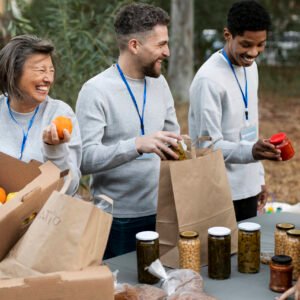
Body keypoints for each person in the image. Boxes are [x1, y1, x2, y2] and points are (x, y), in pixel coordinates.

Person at [76, 3, 181, 259]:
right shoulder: (95, 91)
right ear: (134, 45)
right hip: (118, 221)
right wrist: (135, 145)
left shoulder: (161, 83)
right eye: (160, 44)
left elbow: (173, 139)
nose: (167, 52)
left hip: (164, 214)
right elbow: (84, 160)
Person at [188, 0, 281, 222]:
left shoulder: (251, 68)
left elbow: (251, 127)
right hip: (219, 191)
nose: (253, 53)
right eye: (246, 44)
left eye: (261, 45)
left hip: (248, 187)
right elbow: (206, 146)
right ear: (228, 34)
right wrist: (252, 153)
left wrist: (257, 178)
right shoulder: (208, 79)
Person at [0, 35, 82, 195]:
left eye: (51, 71)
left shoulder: (60, 114)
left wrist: (55, 149)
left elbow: (70, 188)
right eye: (41, 70)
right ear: (14, 72)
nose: (48, 79)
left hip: (45, 216)